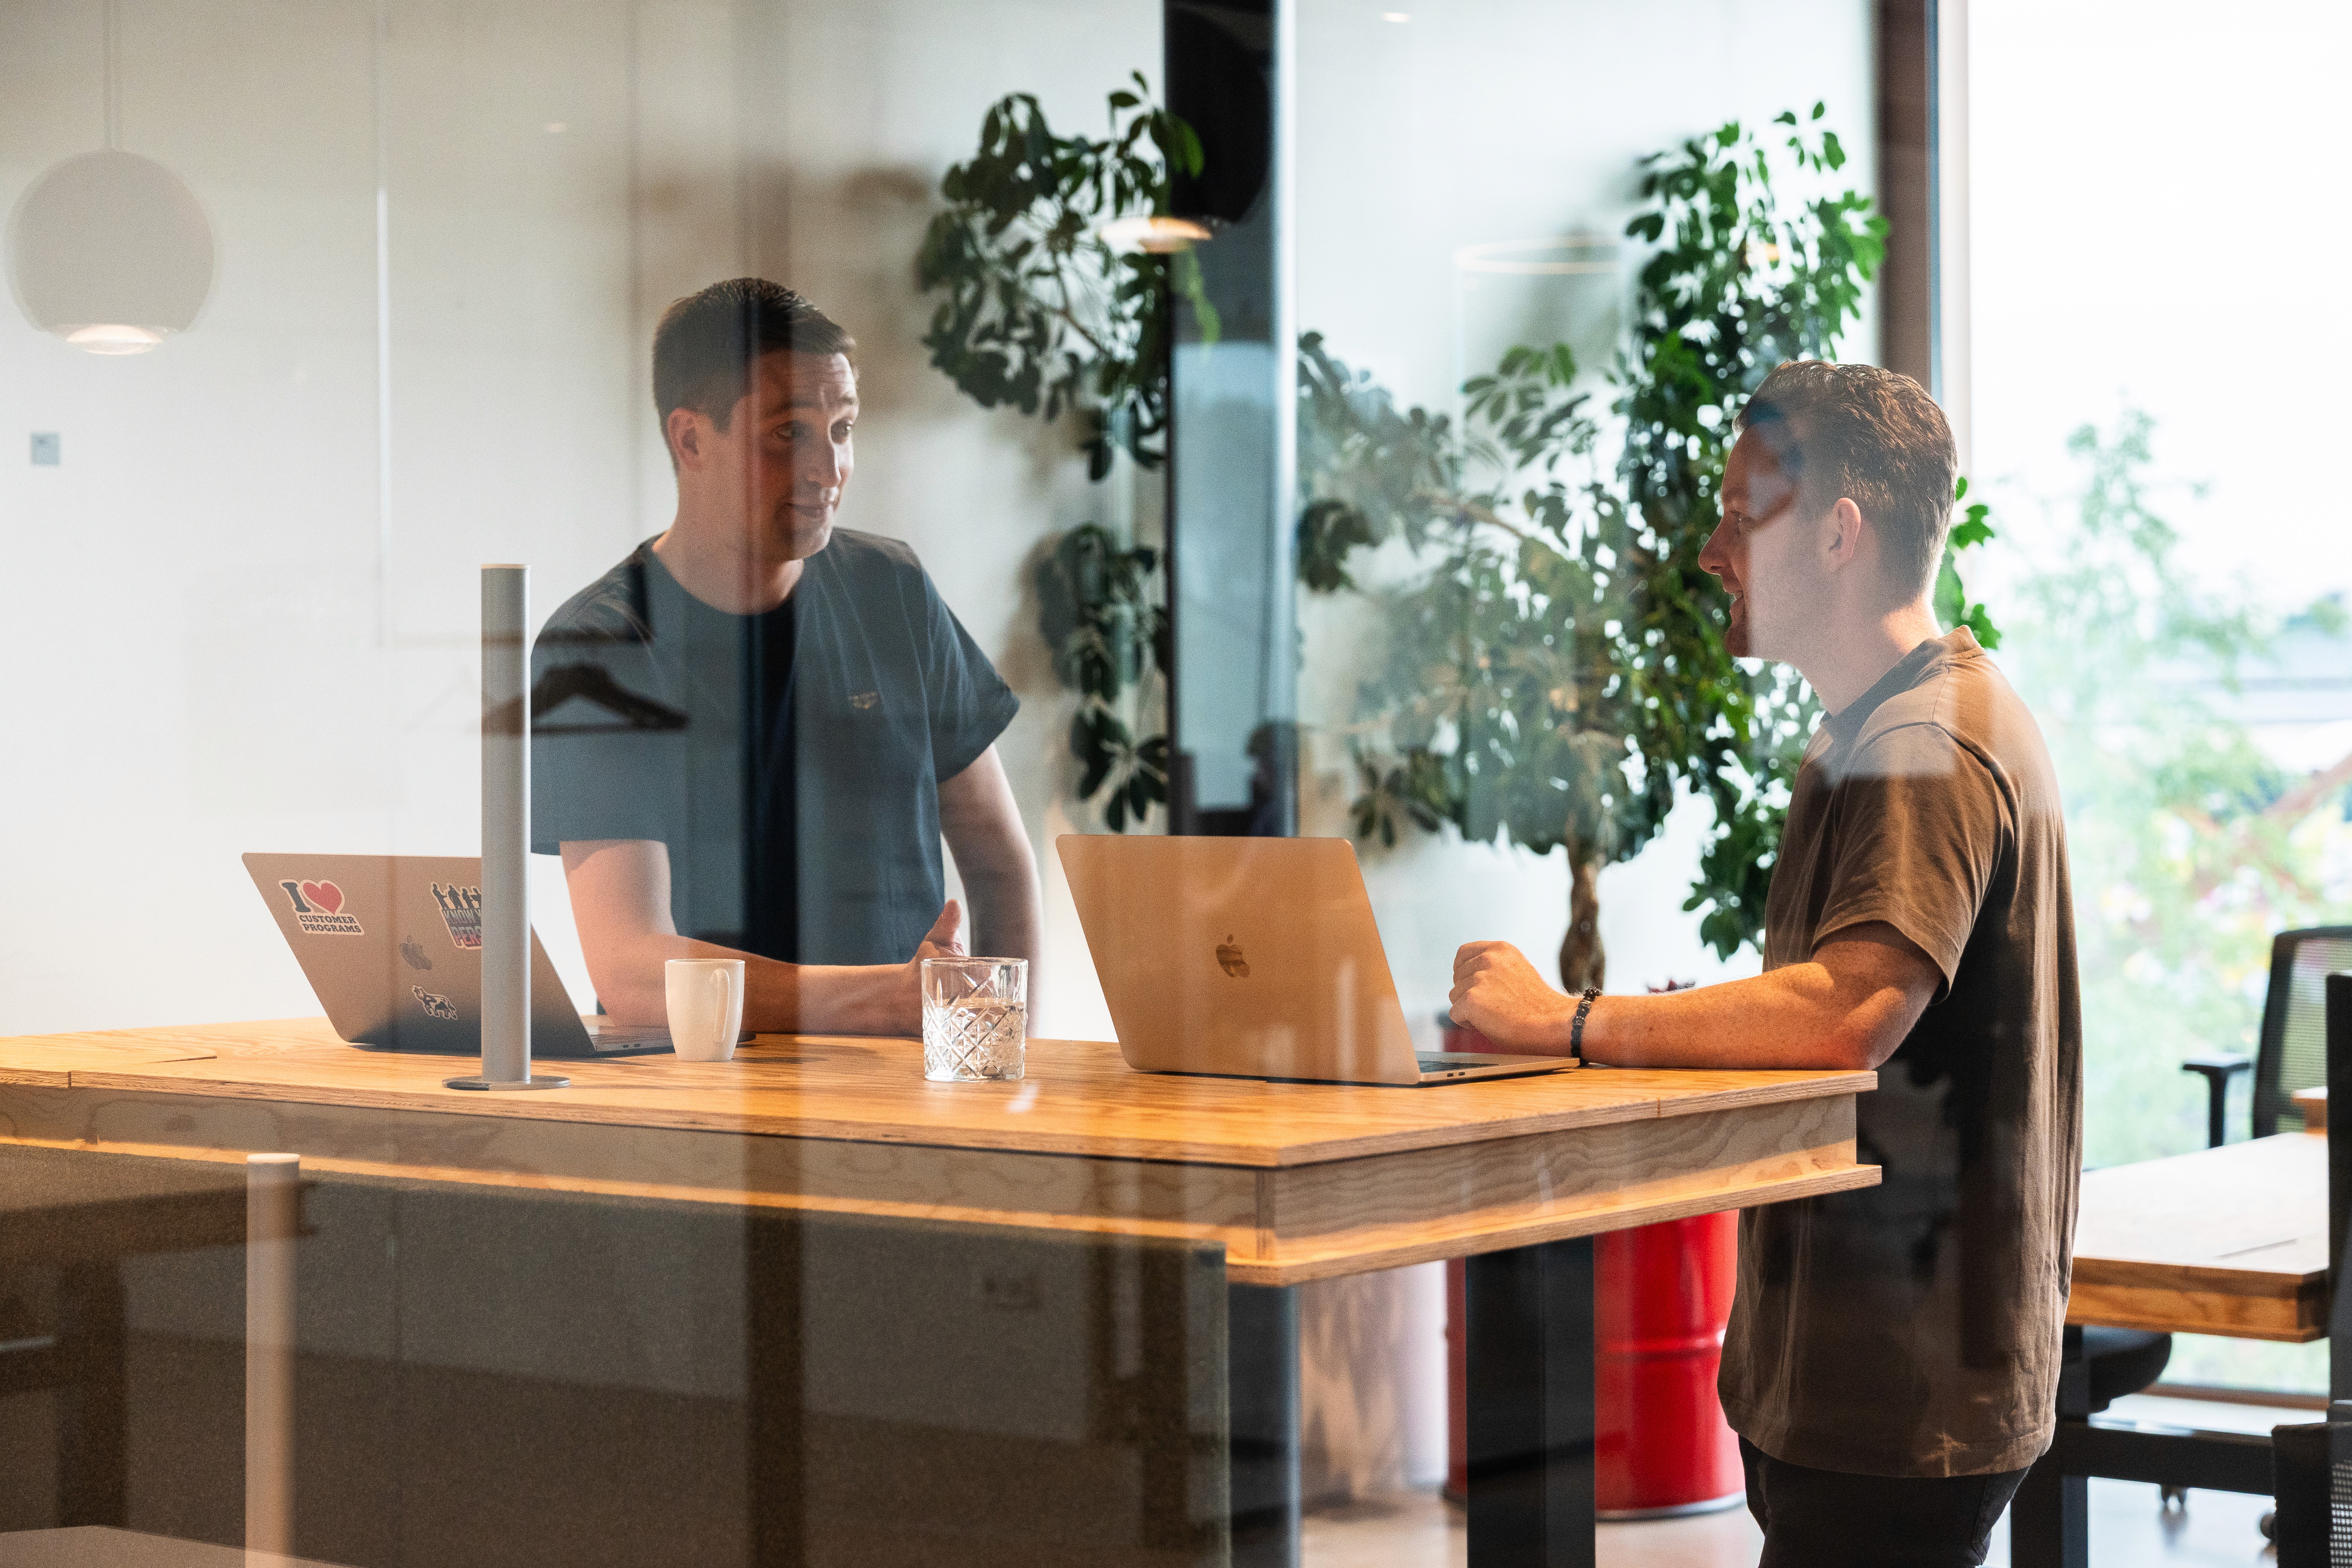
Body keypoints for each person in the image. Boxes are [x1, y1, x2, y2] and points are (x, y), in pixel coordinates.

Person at [1449, 360, 2080, 1568]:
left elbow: (1848, 1011)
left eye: (1741, 517)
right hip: (1877, 1381)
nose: (1709, 552)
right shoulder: (1876, 728)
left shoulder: (1921, 743)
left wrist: (1566, 1018)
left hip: (1897, 1391)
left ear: (1836, 533)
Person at [531, 278, 1042, 1035]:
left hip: (912, 1102)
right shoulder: (601, 647)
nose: (828, 469)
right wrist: (888, 998)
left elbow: (999, 865)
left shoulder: (892, 590)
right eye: (788, 433)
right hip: (705, 1108)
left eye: (842, 429)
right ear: (691, 439)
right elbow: (633, 969)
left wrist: (1008, 1062)